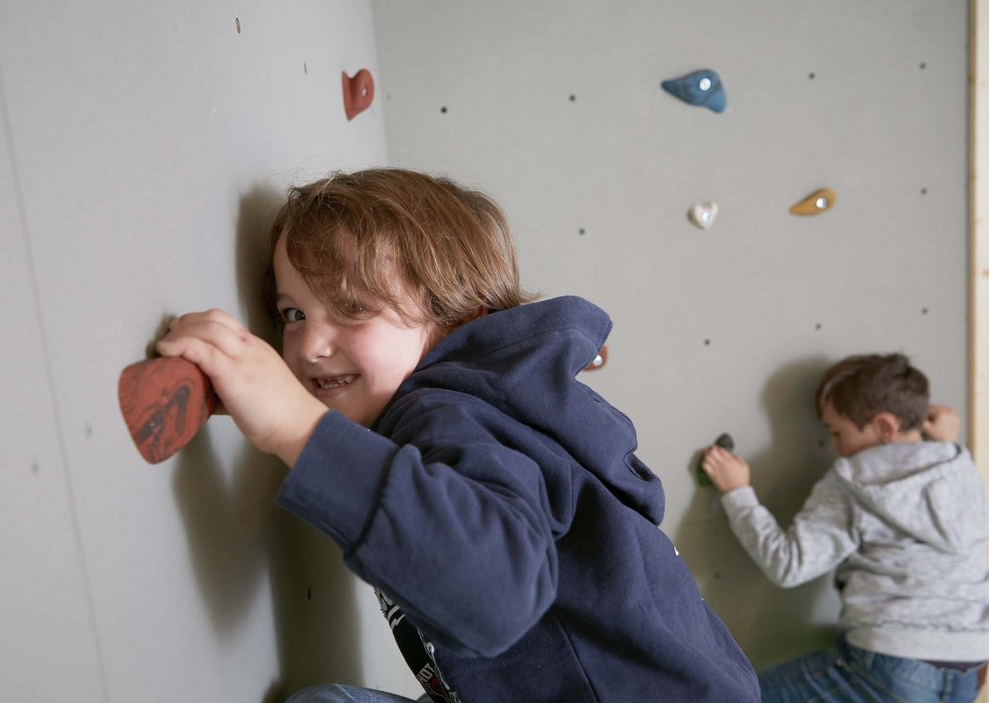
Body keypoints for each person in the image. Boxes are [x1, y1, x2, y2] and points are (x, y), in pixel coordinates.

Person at [157, 168, 759, 702]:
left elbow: (493, 598)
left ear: (456, 317)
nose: (311, 346)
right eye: (294, 314)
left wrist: (296, 424)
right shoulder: (489, 408)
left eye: (352, 308)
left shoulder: (447, 413)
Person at [700, 353, 989, 703]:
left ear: (884, 427)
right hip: (969, 669)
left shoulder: (854, 479)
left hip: (889, 662)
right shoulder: (959, 467)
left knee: (738, 696)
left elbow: (788, 564)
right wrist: (943, 441)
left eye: (837, 432)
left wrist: (737, 493)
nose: (834, 446)